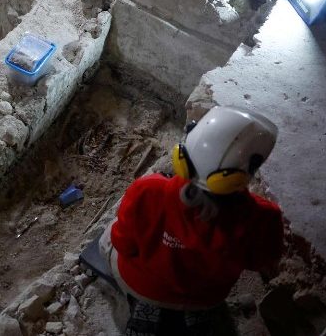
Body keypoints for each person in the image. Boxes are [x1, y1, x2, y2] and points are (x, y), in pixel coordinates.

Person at [101, 106, 285, 336]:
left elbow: (123, 243)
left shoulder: (147, 190)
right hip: (205, 299)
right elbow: (260, 262)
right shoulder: (263, 218)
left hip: (141, 285)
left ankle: (150, 308)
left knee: (108, 234)